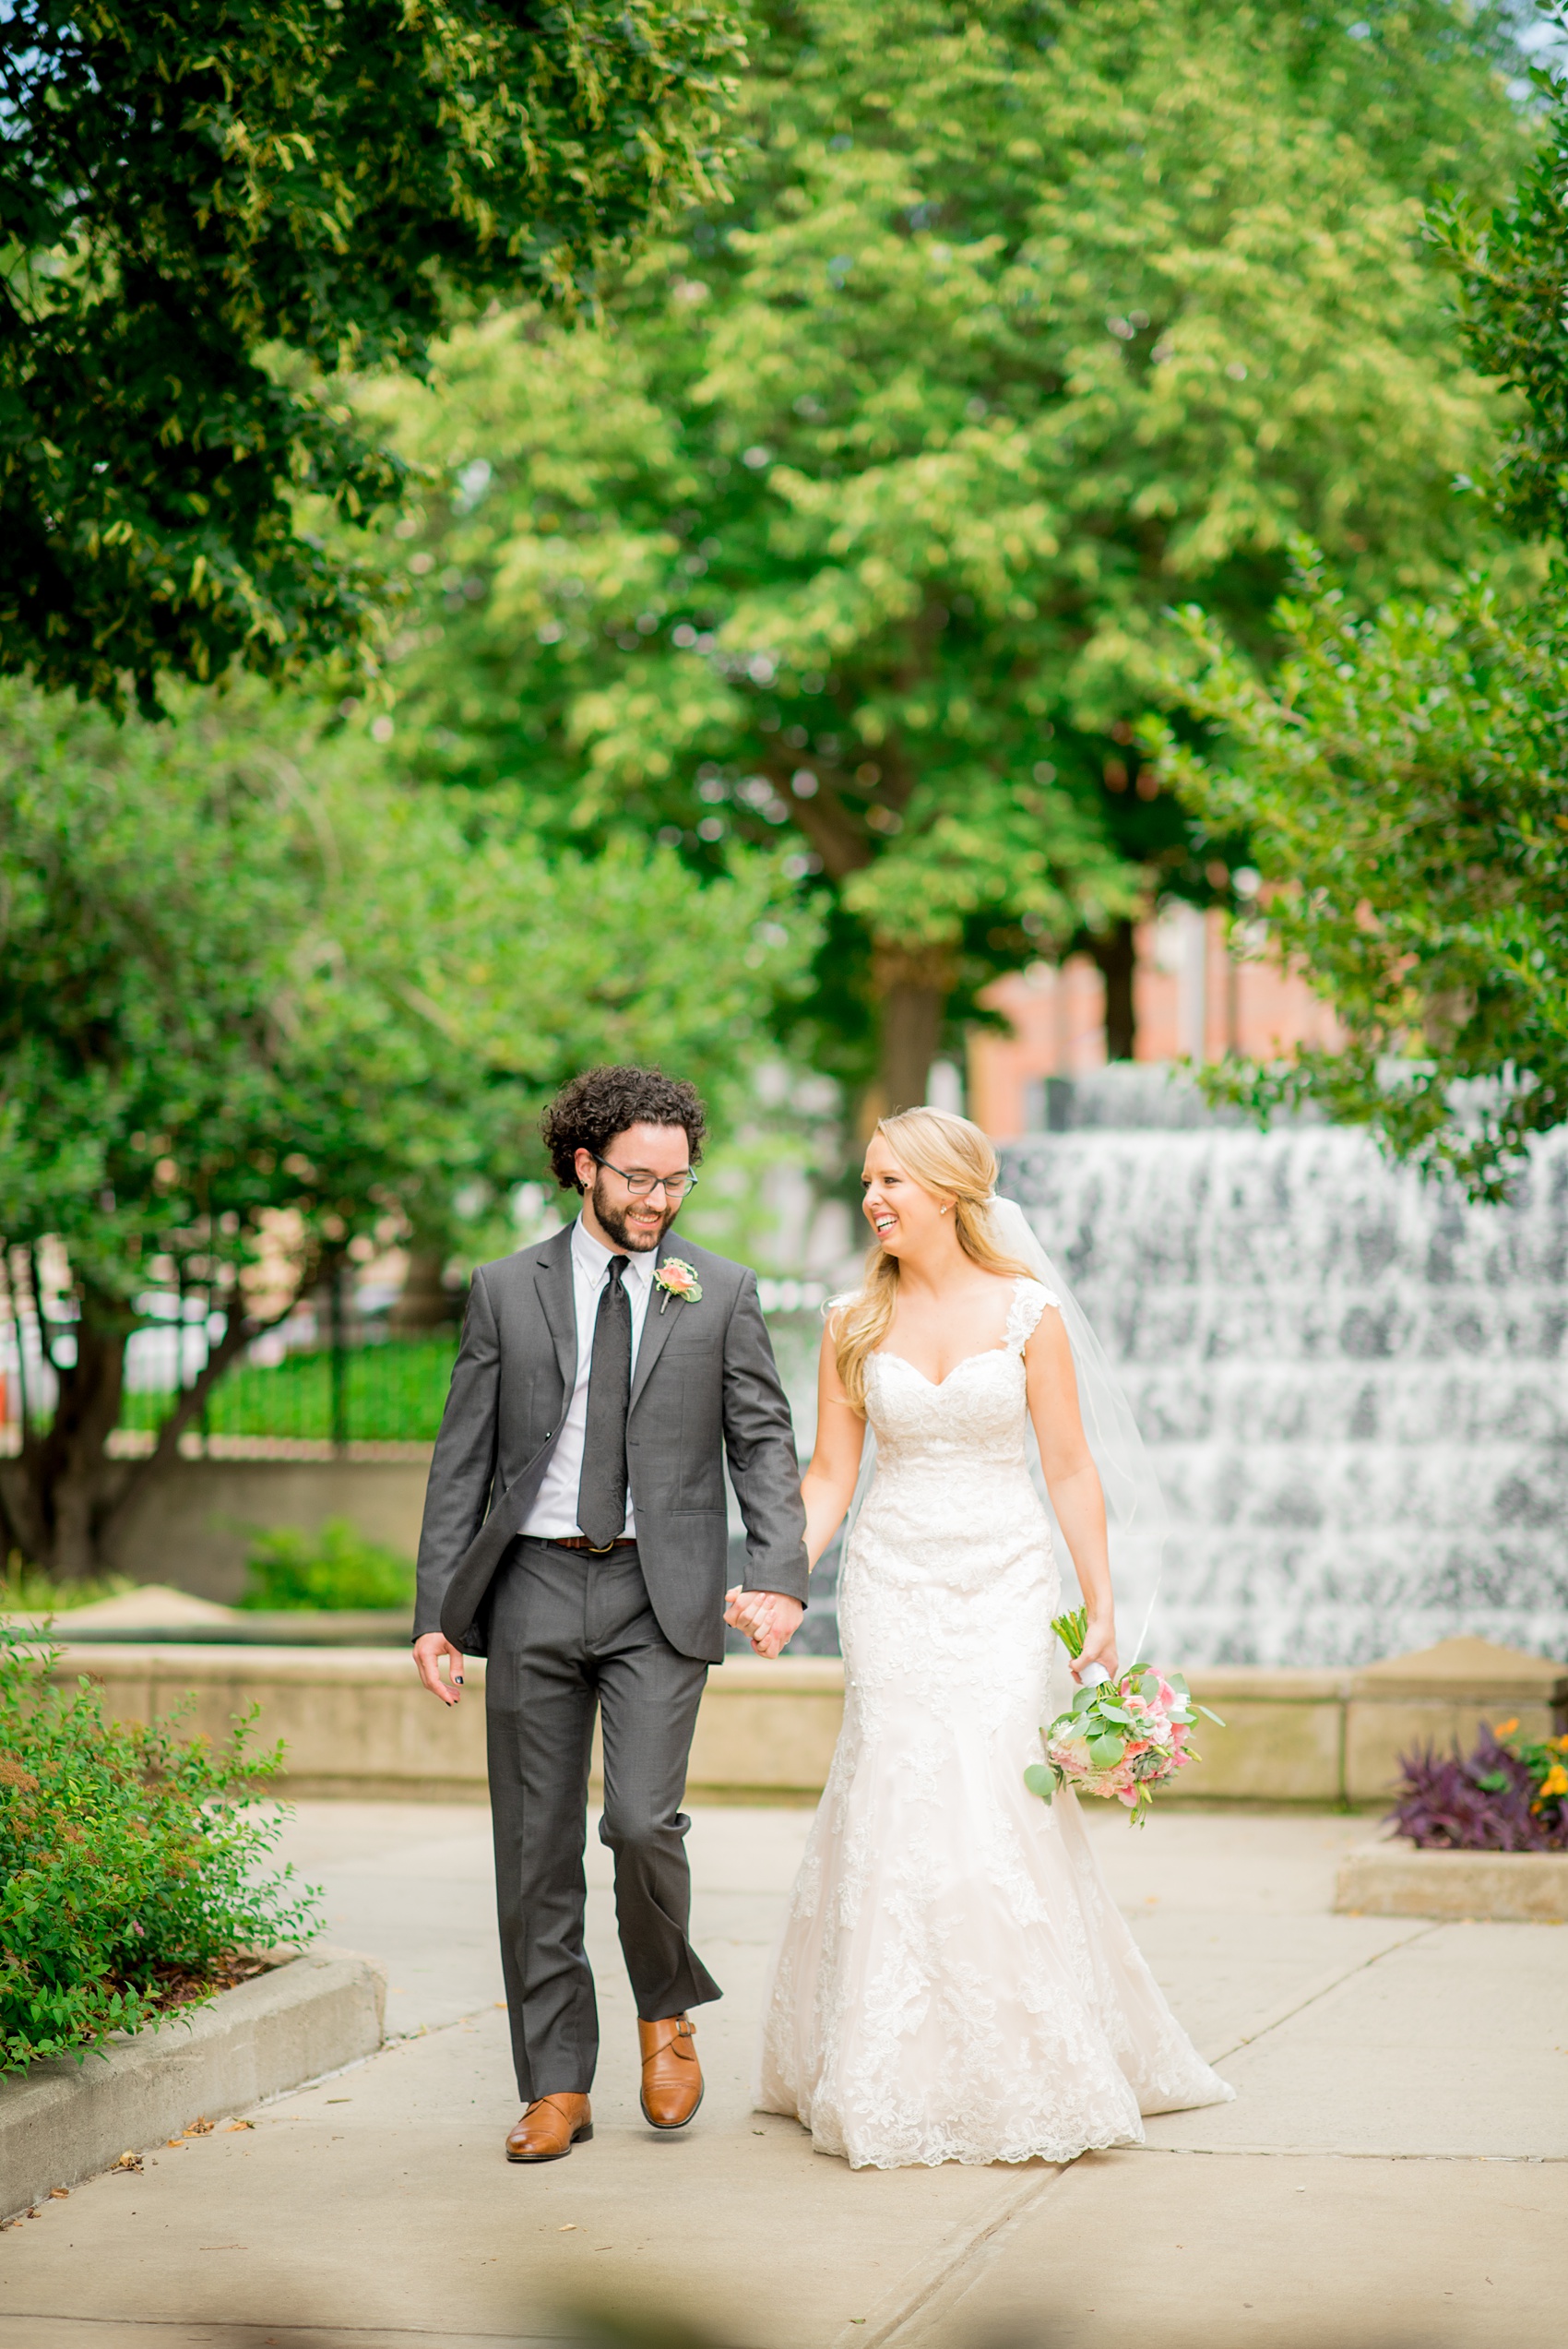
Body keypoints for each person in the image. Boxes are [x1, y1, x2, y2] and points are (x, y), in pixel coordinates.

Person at [737, 1106, 1232, 2169]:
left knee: (996, 1796)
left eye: (892, 1183)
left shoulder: (1026, 1311)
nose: (872, 1198)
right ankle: (886, 2059)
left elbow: (1066, 1463)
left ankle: (1030, 2052)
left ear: (952, 1192)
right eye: (867, 1180)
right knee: (898, 1789)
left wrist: (1096, 1597)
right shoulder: (848, 1318)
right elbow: (828, 1475)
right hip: (891, 1580)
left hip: (1006, 1578)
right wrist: (780, 1579)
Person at [412, 1067, 809, 2164]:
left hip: (658, 1590)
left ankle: (665, 2011)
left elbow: (762, 1441)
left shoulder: (719, 1290)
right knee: (533, 1850)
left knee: (639, 1821)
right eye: (639, 1176)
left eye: (676, 1179)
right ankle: (554, 2083)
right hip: (532, 1581)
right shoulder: (504, 1288)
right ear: (583, 1163)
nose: (658, 1199)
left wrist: (777, 1568)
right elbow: (465, 1458)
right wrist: (436, 1612)